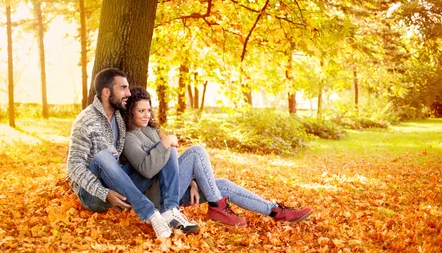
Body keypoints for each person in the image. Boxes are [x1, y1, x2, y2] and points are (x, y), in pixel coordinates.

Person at [121, 87, 313, 227]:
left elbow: (170, 167)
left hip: (172, 189)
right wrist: (165, 143)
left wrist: (193, 181)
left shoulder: (151, 131)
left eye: (148, 110)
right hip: (158, 198)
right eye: (141, 111)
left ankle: (275, 211)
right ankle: (217, 207)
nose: (146, 115)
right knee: (196, 151)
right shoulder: (129, 138)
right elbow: (147, 170)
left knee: (221, 185)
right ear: (131, 112)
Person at [66, 68, 199, 239]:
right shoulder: (85, 121)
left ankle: (170, 211)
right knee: (103, 156)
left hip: (120, 185)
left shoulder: (120, 119)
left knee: (166, 147)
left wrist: (166, 140)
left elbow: (150, 127)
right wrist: (103, 192)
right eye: (123, 88)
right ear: (107, 92)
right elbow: (73, 167)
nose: (128, 93)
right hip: (93, 194)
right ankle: (150, 214)